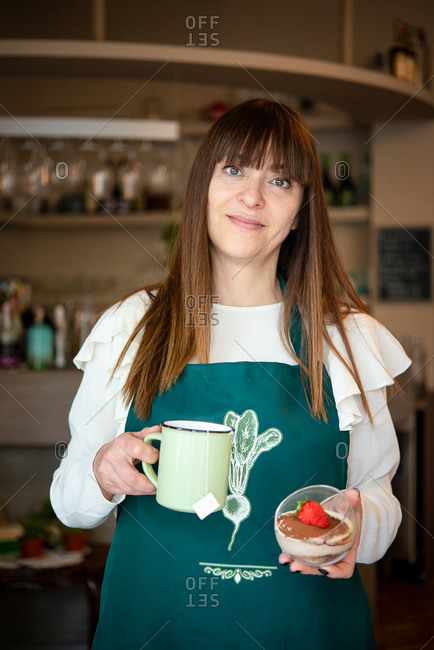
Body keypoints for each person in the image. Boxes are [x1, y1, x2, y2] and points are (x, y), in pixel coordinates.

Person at [50, 98, 410, 649]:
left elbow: (377, 497)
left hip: (307, 631)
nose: (253, 196)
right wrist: (101, 471)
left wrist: (358, 529)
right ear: (204, 186)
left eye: (281, 181)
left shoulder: (348, 339)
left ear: (302, 208)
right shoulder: (131, 326)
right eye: (235, 169)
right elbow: (69, 500)